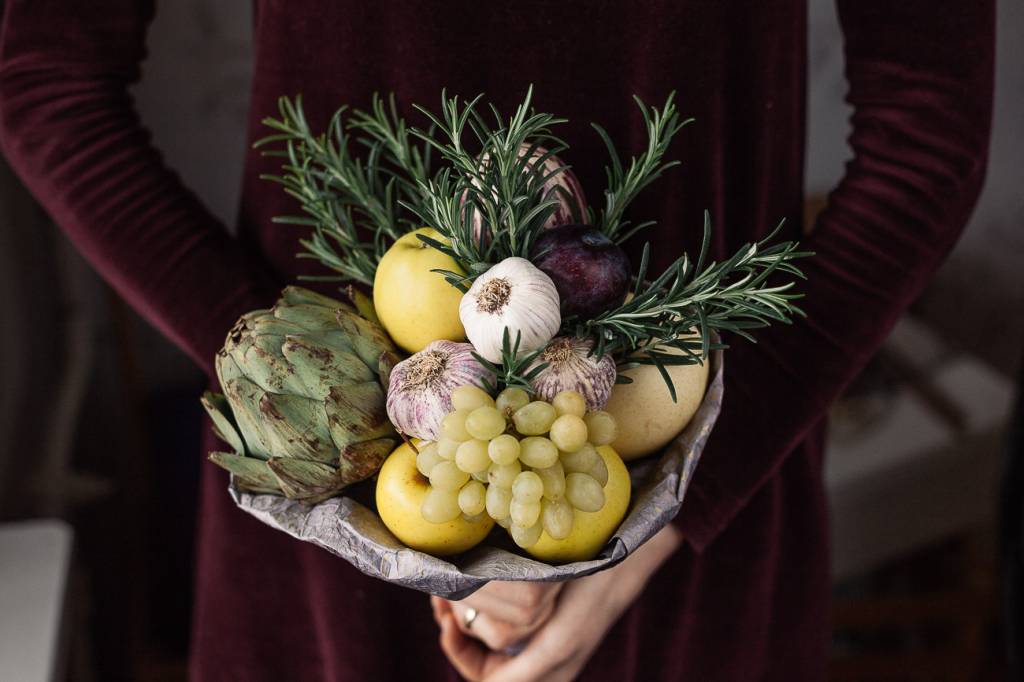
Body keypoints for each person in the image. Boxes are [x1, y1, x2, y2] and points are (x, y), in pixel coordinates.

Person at [0, 1, 994, 680]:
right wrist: (303, 387)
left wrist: (675, 505)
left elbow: (930, 133)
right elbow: (51, 84)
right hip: (336, 554)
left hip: (691, 544)